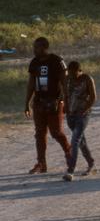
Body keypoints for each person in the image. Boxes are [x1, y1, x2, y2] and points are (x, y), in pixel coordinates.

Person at [24, 37, 70, 175]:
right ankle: (41, 163)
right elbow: (31, 84)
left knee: (56, 132)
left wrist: (65, 100)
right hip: (39, 102)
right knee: (39, 134)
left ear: (45, 47)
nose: (34, 50)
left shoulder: (57, 61)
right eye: (34, 47)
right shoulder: (34, 63)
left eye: (36, 47)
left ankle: (69, 153)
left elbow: (65, 82)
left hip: (54, 101)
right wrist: (27, 103)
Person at [62, 60, 97, 181]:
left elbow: (93, 97)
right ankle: (91, 163)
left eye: (74, 73)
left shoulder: (87, 79)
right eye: (70, 73)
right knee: (81, 140)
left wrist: (84, 110)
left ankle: (70, 170)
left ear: (79, 70)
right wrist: (65, 108)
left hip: (83, 115)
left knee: (75, 140)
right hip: (71, 114)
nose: (72, 76)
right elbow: (65, 96)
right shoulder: (67, 80)